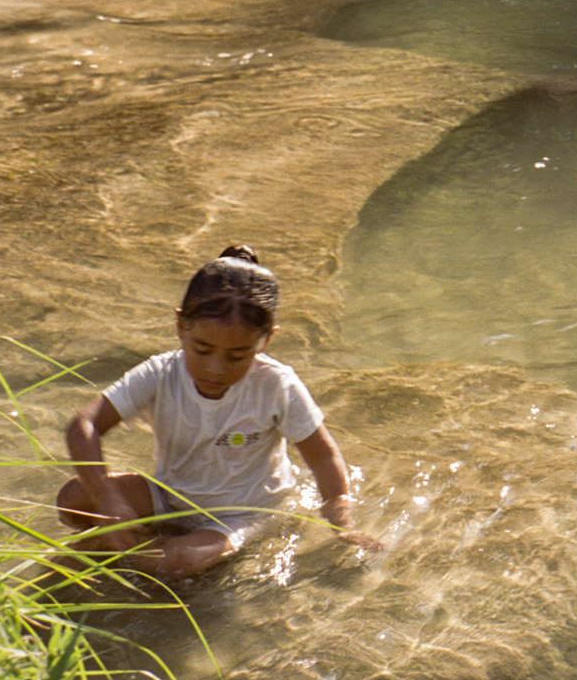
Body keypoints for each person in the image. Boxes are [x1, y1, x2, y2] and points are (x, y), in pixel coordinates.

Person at [56, 247, 379, 576]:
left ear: (265, 341)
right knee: (73, 499)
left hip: (240, 513)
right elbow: (85, 425)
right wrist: (109, 499)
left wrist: (341, 523)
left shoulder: (276, 385)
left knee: (178, 563)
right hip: (170, 496)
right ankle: (139, 548)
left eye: (237, 356)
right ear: (181, 325)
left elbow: (323, 457)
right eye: (202, 349)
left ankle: (136, 556)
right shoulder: (160, 374)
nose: (216, 368)